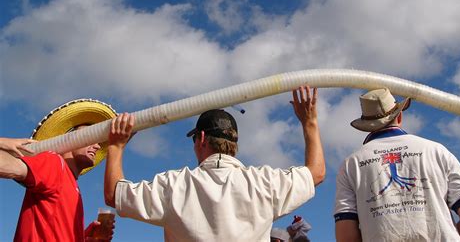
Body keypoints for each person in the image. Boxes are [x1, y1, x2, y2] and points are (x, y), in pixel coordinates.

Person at [104, 86, 325, 241]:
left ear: (200, 139)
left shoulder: (173, 186)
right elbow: (316, 173)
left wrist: (116, 147)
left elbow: (115, 195)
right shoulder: (265, 183)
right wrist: (309, 122)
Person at [334, 88, 460, 242]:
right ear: (399, 116)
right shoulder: (436, 151)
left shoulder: (351, 164)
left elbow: (346, 232)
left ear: (367, 125)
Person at [0, 99, 117, 242]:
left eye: (98, 142)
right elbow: (6, 166)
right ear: (70, 139)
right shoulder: (54, 163)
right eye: (91, 136)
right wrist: (3, 142)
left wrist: (84, 239)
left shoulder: (73, 186)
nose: (97, 146)